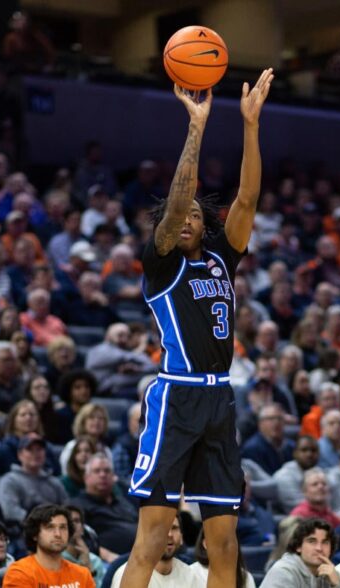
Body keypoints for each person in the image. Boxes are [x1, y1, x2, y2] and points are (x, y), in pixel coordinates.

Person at [121, 68, 274, 588]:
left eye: (192, 214)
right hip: (177, 396)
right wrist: (197, 126)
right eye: (176, 213)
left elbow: (248, 199)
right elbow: (179, 197)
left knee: (224, 541)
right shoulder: (161, 261)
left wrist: (250, 125)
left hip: (220, 400)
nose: (185, 217)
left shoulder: (220, 260)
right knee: (153, 534)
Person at [3, 505, 94, 588]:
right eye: (50, 527)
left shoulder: (83, 574)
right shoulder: (20, 573)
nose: (58, 534)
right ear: (35, 534)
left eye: (63, 527)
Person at [110, 515, 201, 588]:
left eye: (174, 528)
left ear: (181, 538)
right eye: (163, 528)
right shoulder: (128, 574)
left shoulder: (190, 574)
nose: (169, 534)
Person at [263, 518, 340, 587]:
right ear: (298, 546)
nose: (319, 548)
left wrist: (337, 584)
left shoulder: (330, 573)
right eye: (312, 541)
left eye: (325, 542)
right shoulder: (283, 572)